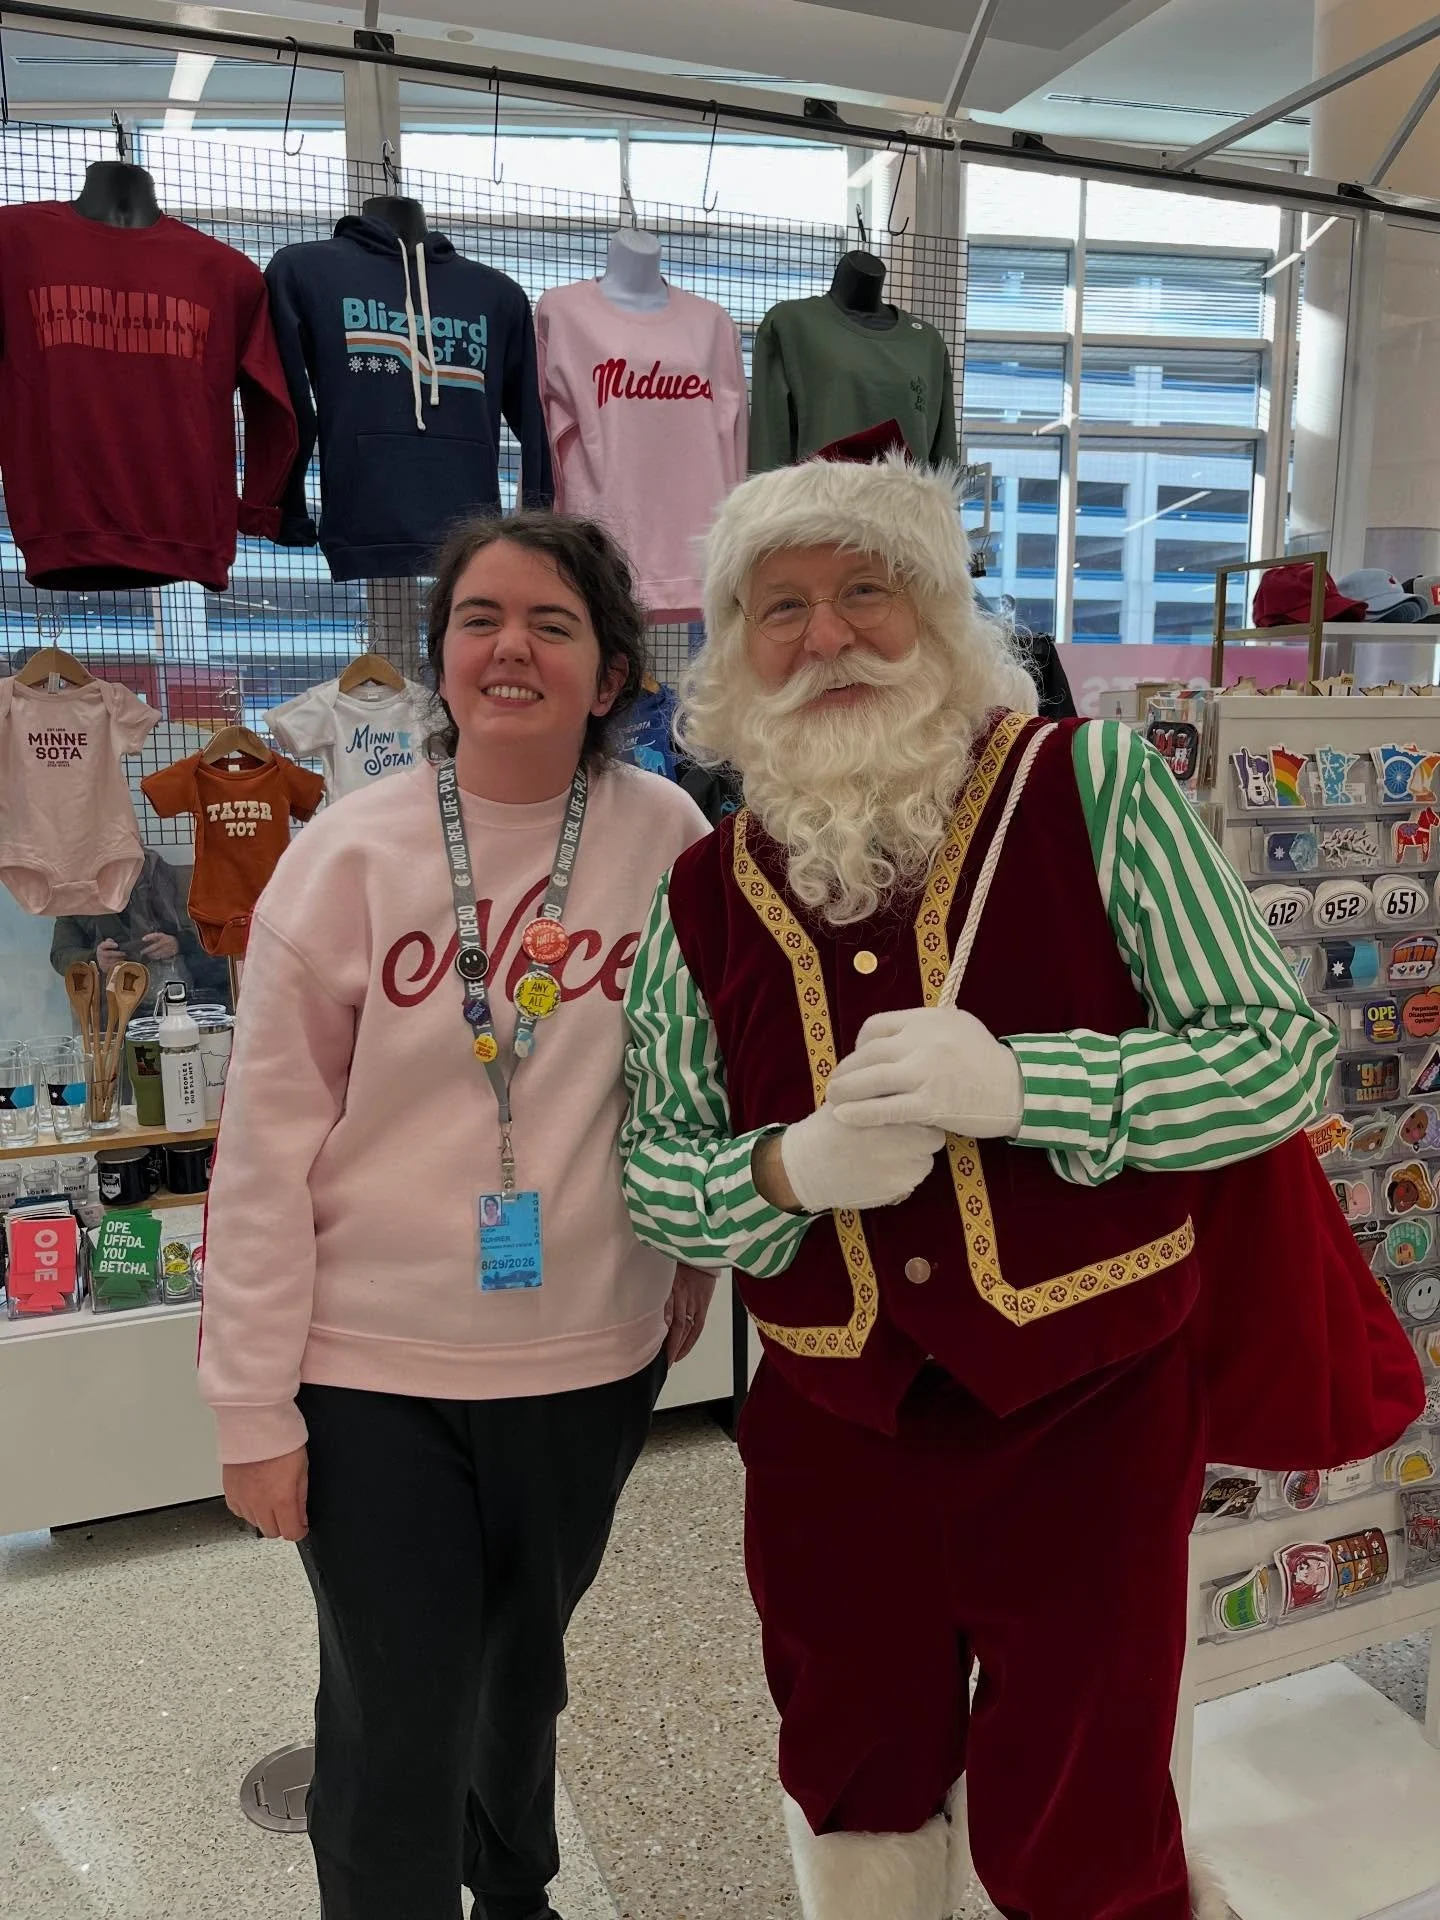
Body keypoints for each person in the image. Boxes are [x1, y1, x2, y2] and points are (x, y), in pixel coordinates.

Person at [620, 451, 1421, 1920]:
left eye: (867, 590)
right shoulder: (698, 890)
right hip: (830, 1425)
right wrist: (787, 1170)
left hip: (1090, 1409)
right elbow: (661, 1177)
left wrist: (1034, 1090)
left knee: (1086, 1791)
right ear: (735, 650)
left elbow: (1278, 1057)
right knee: (851, 1760)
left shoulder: (1092, 786)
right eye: (781, 607)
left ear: (939, 611)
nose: (827, 635)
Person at [199, 512, 713, 1920]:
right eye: (480, 618)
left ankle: (517, 1891)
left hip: (591, 1359)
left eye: (554, 623)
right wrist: (251, 1405)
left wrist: (694, 1250)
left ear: (612, 673)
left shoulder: (669, 837)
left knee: (524, 1673)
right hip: (373, 1373)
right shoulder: (348, 854)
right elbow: (263, 1150)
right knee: (398, 1707)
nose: (511, 648)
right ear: (440, 658)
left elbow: (696, 1072)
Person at [49, 844, 230, 1003]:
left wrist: (178, 943)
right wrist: (96, 959)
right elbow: (60, 954)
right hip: (113, 1005)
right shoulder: (76, 893)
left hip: (182, 994)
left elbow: (218, 935)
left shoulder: (164, 876)